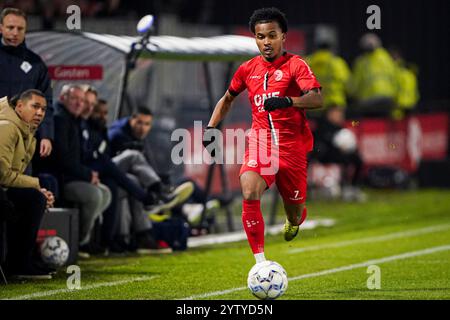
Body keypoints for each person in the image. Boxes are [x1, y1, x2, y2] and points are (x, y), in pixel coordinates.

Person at [203, 7, 322, 264]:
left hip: (292, 147)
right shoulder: (247, 69)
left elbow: (316, 98)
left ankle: (295, 218)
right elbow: (227, 99)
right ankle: (260, 263)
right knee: (249, 190)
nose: (266, 42)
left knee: (294, 212)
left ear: (283, 37)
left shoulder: (296, 65)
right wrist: (211, 128)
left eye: (271, 35)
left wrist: (288, 101)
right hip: (261, 144)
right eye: (260, 36)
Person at [50, 84, 111, 256]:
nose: (79, 104)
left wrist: (89, 174)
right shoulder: (60, 118)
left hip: (73, 176)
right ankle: (76, 243)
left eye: (82, 100)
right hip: (62, 179)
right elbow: (62, 159)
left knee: (106, 193)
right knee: (95, 195)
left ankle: (79, 240)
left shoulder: (74, 119)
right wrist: (87, 174)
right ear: (63, 98)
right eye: (75, 99)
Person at [0, 89, 55, 279]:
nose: (40, 113)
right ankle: (18, 264)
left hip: (3, 188)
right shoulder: (7, 127)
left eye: (44, 109)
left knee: (35, 197)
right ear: (20, 106)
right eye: (35, 107)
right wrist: (36, 185)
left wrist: (38, 189)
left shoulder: (27, 130)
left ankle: (21, 261)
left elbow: (14, 174)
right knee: (33, 198)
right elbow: (2, 174)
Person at [0, 8, 54, 159]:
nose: (15, 33)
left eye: (20, 28)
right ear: (1, 28)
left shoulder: (36, 64)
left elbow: (46, 102)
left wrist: (46, 136)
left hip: (23, 141)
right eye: (11, 27)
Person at [311, 106, 365, 201]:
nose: (340, 116)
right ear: (330, 114)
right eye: (337, 113)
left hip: (338, 153)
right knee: (344, 160)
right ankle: (342, 186)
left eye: (341, 114)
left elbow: (345, 141)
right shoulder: (321, 126)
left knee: (357, 160)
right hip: (324, 154)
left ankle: (352, 187)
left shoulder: (340, 128)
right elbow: (318, 144)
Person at [349, 33, 397, 117]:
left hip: (369, 102)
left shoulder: (361, 62)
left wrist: (352, 96)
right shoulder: (386, 58)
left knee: (355, 115)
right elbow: (395, 77)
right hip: (388, 99)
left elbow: (354, 86)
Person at [306, 33, 351, 112]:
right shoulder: (337, 62)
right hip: (333, 105)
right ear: (331, 47)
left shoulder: (307, 62)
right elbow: (348, 84)